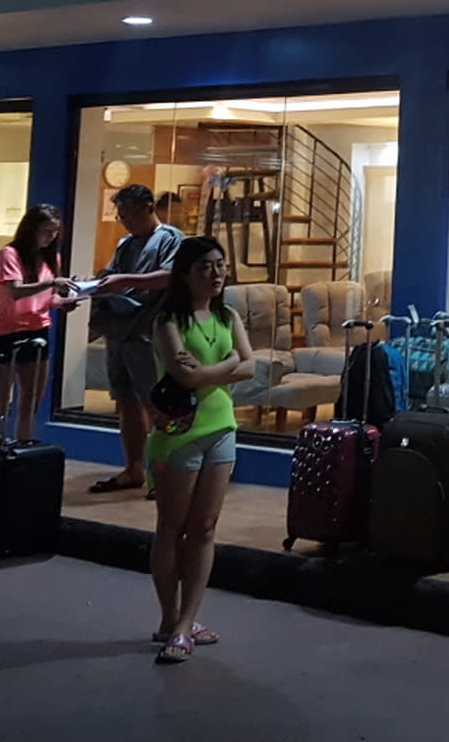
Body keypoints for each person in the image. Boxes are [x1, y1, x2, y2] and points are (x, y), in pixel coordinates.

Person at [146, 235, 254, 663]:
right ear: (186, 274)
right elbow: (185, 377)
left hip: (221, 428)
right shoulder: (168, 321)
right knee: (171, 528)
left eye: (220, 265)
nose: (216, 273)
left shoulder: (228, 315)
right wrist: (228, 365)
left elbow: (251, 365)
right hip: (179, 433)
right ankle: (169, 618)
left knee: (205, 527)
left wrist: (212, 369)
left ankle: (186, 623)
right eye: (206, 266)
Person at [88, 184, 184, 493]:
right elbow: (111, 276)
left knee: (157, 406)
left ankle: (166, 474)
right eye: (121, 216)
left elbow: (170, 277)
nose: (125, 222)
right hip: (119, 333)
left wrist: (125, 281)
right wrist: (90, 286)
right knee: (126, 403)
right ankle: (134, 468)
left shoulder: (170, 239)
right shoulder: (125, 244)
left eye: (129, 215)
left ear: (148, 208)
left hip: (149, 334)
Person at [0, 203, 76, 441]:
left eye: (55, 232)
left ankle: (23, 446)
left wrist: (62, 302)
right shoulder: (10, 254)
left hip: (37, 329)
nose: (51, 237)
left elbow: (46, 298)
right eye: (46, 231)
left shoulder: (51, 258)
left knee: (31, 401)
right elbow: (16, 291)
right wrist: (51, 283)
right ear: (32, 229)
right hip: (6, 332)